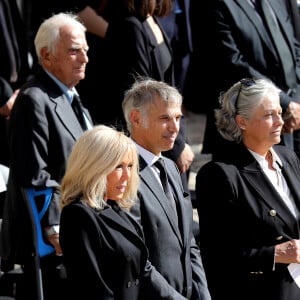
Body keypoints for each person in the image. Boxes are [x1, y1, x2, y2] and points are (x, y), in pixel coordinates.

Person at [0, 12, 93, 300]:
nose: (84, 58)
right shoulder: (33, 99)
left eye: (86, 51)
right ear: (46, 55)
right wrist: (53, 226)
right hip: (50, 243)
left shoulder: (73, 98)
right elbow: (33, 174)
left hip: (81, 225)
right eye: (74, 50)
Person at [196, 77, 300, 300]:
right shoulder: (220, 175)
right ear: (242, 122)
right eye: (269, 115)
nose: (279, 122)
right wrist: (275, 254)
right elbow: (217, 257)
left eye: (280, 113)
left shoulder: (289, 158)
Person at [59, 125, 187, 300]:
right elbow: (94, 289)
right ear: (95, 167)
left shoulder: (117, 207)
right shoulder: (78, 216)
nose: (127, 176)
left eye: (131, 166)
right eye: (118, 166)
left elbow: (144, 270)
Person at [122, 78, 211, 300]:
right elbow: (136, 258)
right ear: (136, 118)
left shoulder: (171, 167)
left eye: (178, 118)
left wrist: (203, 294)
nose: (174, 128)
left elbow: (188, 242)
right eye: (164, 118)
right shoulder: (123, 173)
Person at [201, 0, 300, 160]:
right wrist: (284, 102)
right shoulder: (217, 5)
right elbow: (232, 63)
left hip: (292, 119)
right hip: (249, 130)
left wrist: (295, 101)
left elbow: (295, 47)